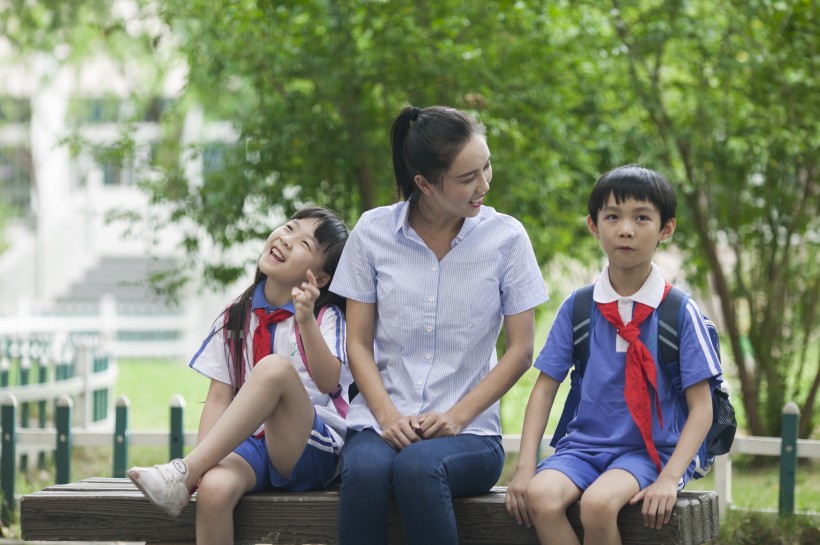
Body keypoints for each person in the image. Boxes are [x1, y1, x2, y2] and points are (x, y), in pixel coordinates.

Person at [330, 105, 549, 545]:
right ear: (425, 184)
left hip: (470, 434)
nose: (484, 184)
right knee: (368, 471)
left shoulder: (506, 238)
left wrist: (455, 416)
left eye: (485, 167)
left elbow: (521, 351)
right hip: (380, 421)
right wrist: (388, 418)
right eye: (467, 178)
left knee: (418, 467)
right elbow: (356, 342)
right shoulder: (372, 233)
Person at [505, 165, 721, 545]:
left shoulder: (677, 311)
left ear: (666, 229)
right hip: (583, 447)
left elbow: (702, 407)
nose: (625, 229)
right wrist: (524, 468)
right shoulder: (579, 307)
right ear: (593, 225)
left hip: (650, 452)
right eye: (612, 216)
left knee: (598, 505)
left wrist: (670, 477)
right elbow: (543, 390)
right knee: (540, 495)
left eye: (641, 217)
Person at [127, 207, 350, 545]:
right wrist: (204, 469)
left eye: (303, 243)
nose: (286, 239)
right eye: (289, 227)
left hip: (309, 447)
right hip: (254, 446)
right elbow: (219, 397)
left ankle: (183, 472)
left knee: (274, 369)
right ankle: (190, 473)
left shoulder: (323, 316)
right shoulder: (236, 316)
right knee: (214, 491)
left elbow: (328, 381)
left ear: (319, 278)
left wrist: (305, 320)